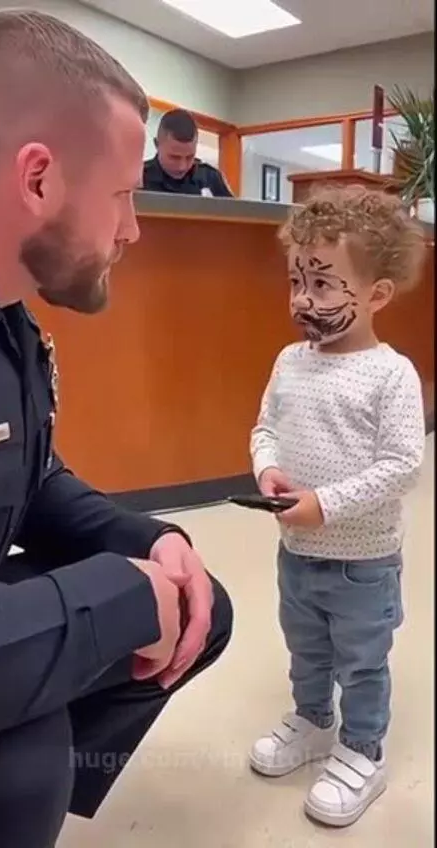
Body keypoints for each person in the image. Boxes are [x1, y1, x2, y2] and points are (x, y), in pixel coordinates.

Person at [0, 10, 233, 848]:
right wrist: (107, 602)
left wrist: (143, 540)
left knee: (200, 604)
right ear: (38, 179)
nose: (132, 228)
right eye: (122, 195)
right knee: (24, 767)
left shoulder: (10, 321)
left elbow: (28, 478)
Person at [248, 186, 426, 827]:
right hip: (296, 553)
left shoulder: (391, 374)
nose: (303, 300)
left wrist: (325, 504)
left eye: (324, 286)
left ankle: (361, 749)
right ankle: (313, 721)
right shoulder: (289, 360)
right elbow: (264, 425)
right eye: (298, 281)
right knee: (306, 648)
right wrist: (266, 466)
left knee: (361, 659)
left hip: (363, 562)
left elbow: (403, 464)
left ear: (377, 294)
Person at [142, 108, 234, 197]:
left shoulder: (211, 178)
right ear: (157, 145)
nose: (182, 167)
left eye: (190, 157)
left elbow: (234, 212)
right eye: (174, 157)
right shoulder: (138, 177)